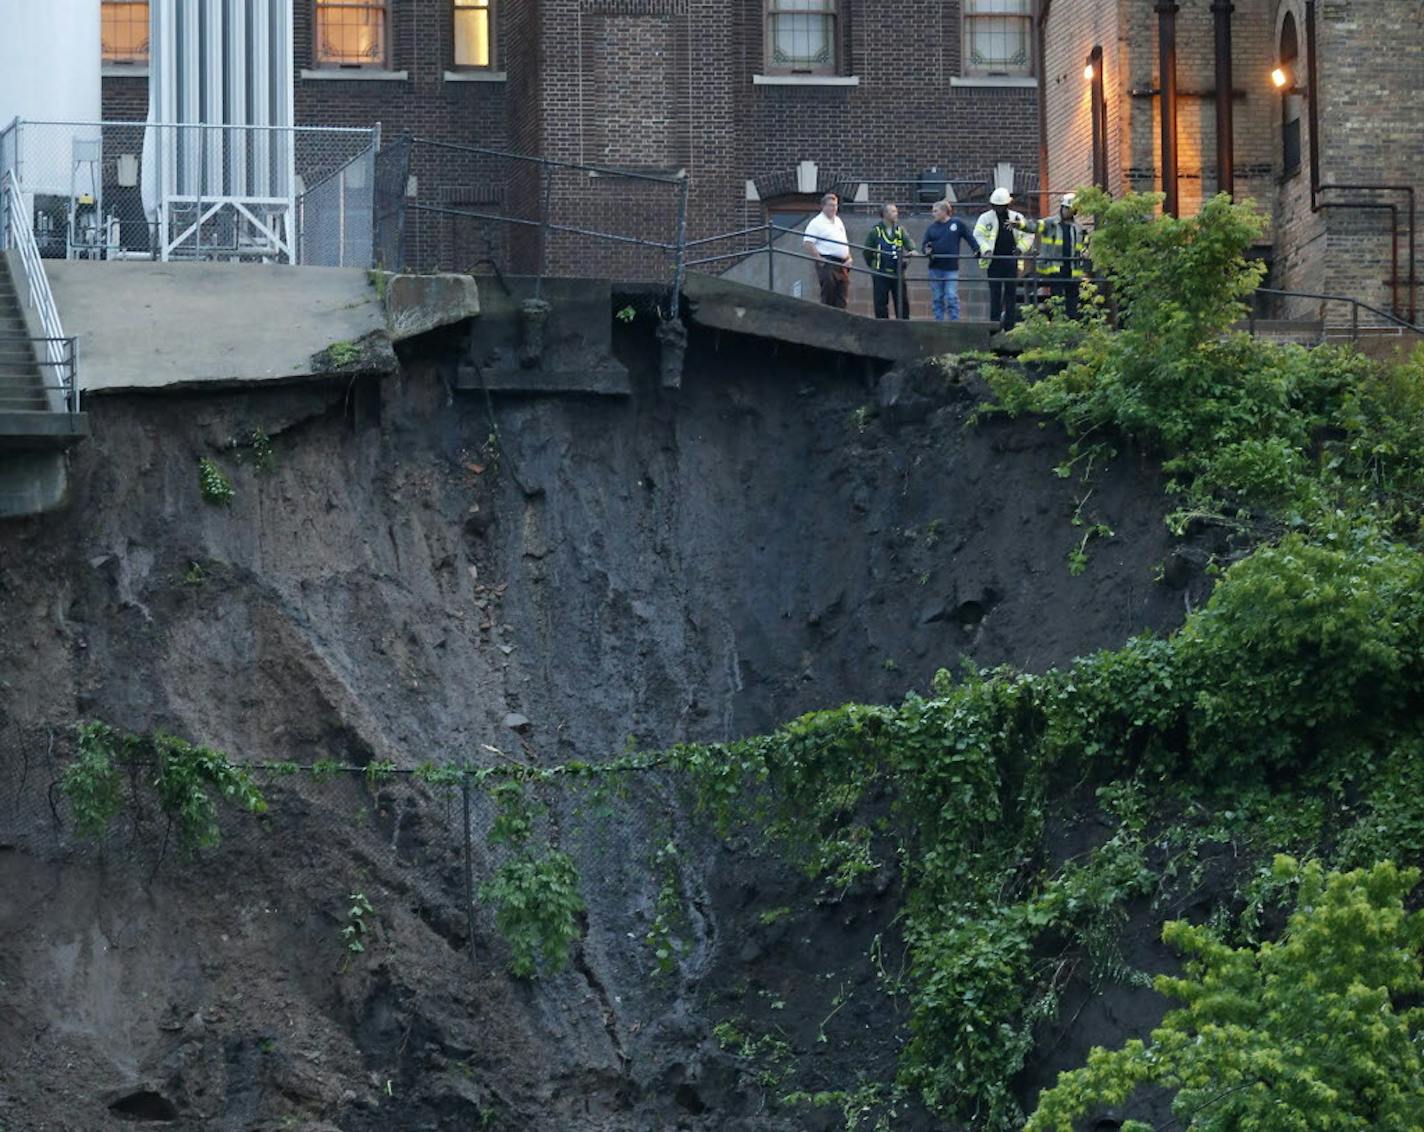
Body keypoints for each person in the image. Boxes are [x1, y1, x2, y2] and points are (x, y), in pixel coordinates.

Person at [974, 187, 1035, 331]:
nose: (999, 209)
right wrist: (986, 250)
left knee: (1010, 294)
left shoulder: (1016, 217)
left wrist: (1020, 248)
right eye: (996, 206)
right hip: (993, 261)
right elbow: (978, 235)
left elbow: (1029, 234)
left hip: (1010, 261)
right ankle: (994, 326)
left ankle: (1009, 327)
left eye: (1001, 206)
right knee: (995, 294)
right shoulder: (985, 218)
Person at [1023, 192, 1090, 320]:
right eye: (1065, 208)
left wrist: (1085, 250)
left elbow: (1085, 240)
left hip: (1072, 269)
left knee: (1072, 297)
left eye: (1069, 209)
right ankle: (1057, 321)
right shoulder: (1051, 223)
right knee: (1057, 297)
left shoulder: (1077, 228)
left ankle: (1072, 323)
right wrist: (1020, 224)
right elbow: (1034, 226)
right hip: (1056, 268)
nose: (1066, 211)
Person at [920, 199, 979, 321]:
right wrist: (927, 250)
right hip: (935, 267)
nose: (933, 214)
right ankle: (939, 322)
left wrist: (976, 250)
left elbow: (969, 237)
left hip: (951, 268)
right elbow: (924, 244)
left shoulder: (957, 224)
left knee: (951, 296)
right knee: (937, 297)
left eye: (935, 211)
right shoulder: (931, 228)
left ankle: (954, 322)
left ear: (944, 211)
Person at [862, 203, 915, 319]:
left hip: (897, 272)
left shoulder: (900, 230)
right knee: (880, 302)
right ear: (885, 214)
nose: (896, 214)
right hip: (880, 272)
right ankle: (882, 327)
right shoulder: (875, 231)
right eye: (893, 211)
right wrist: (873, 266)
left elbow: (910, 245)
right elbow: (867, 252)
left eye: (896, 211)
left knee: (902, 301)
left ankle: (903, 326)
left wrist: (911, 251)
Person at [803, 192, 853, 309]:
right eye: (830, 205)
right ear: (823, 206)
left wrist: (849, 257)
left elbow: (844, 242)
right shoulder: (816, 222)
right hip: (828, 262)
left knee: (842, 295)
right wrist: (819, 258)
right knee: (829, 294)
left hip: (843, 263)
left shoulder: (838, 221)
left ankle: (840, 323)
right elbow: (808, 242)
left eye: (835, 205)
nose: (833, 208)